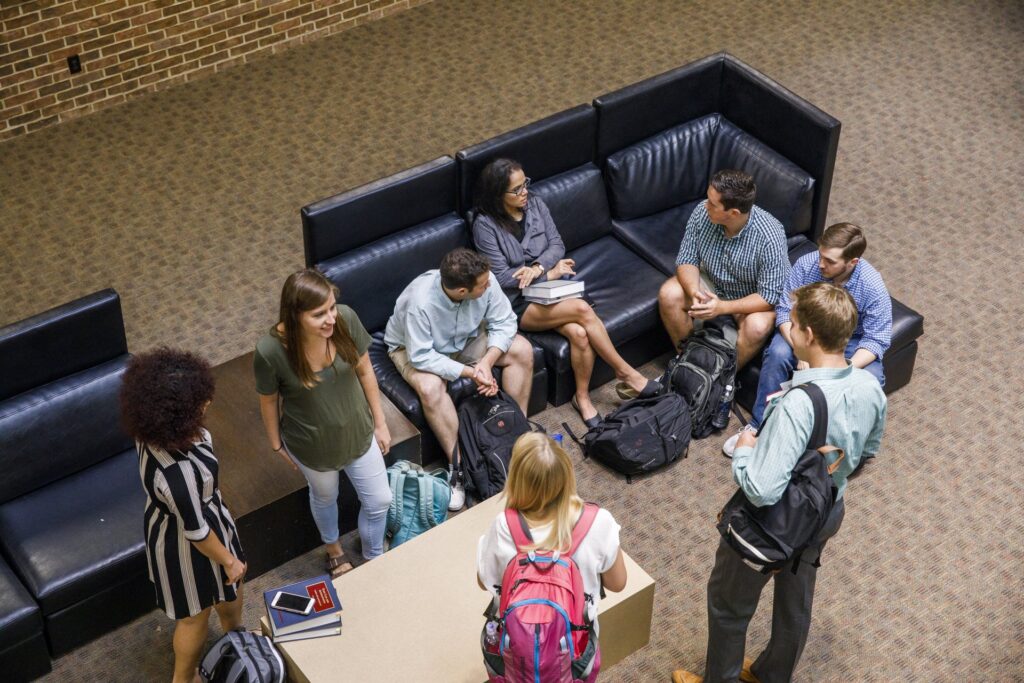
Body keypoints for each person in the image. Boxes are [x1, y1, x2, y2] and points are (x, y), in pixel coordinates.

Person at [672, 282, 887, 683]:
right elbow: (867, 453)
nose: (787, 329)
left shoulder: (797, 403)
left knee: (728, 607)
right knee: (795, 599)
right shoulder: (870, 387)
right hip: (826, 511)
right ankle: (772, 675)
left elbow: (762, 489)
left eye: (794, 325)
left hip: (772, 523)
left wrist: (746, 450)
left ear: (806, 335)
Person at [472, 158, 659, 427]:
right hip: (517, 303)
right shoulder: (485, 225)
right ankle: (625, 372)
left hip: (547, 290)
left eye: (525, 184)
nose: (524, 192)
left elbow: (557, 245)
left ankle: (581, 398)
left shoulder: (535, 203)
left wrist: (537, 269)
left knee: (580, 333)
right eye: (516, 190)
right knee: (583, 310)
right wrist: (550, 272)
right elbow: (500, 278)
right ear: (497, 194)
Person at [255, 269, 392, 578]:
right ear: (295, 316)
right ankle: (333, 550)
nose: (331, 318)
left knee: (380, 499)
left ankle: (373, 555)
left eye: (332, 306)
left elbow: (366, 371)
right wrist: (276, 444)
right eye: (319, 314)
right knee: (325, 496)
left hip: (358, 430)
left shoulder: (344, 320)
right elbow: (268, 399)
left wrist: (380, 423)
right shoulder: (270, 351)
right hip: (312, 445)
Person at [120, 348, 246, 683]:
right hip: (189, 545)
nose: (207, 403)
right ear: (177, 413)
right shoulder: (178, 473)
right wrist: (229, 561)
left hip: (170, 523)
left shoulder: (149, 432)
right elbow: (198, 532)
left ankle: (238, 640)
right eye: (200, 400)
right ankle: (183, 677)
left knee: (227, 594)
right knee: (194, 617)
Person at [384, 247, 534, 511]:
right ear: (463, 291)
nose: (491, 284)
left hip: (466, 339)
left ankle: (518, 439)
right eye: (484, 285)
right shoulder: (419, 303)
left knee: (522, 350)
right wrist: (471, 373)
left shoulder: (485, 280)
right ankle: (460, 469)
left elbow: (505, 322)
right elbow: (422, 357)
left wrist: (486, 362)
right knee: (430, 387)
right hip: (414, 349)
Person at [723, 222, 892, 457]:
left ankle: (846, 446)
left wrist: (837, 368)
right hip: (804, 331)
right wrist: (801, 351)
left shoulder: (872, 286)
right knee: (779, 353)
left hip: (849, 341)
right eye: (821, 255)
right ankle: (759, 425)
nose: (821, 264)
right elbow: (784, 312)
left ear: (853, 262)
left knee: (873, 377)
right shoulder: (807, 264)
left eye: (830, 261)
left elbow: (876, 339)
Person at [655, 169, 789, 396]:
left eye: (712, 203)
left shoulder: (770, 235)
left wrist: (723, 307)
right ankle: (686, 364)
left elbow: (769, 296)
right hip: (713, 283)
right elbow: (687, 259)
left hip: (749, 295)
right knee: (669, 293)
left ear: (733, 213)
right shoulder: (702, 212)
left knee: (758, 326)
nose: (706, 204)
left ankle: (719, 382)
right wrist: (694, 291)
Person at [476, 432, 627, 629]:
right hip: (575, 646)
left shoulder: (503, 526)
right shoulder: (598, 521)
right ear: (567, 474)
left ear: (515, 480)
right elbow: (618, 584)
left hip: (516, 643)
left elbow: (483, 581)